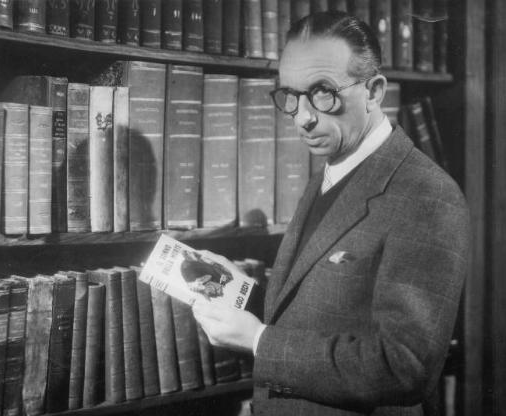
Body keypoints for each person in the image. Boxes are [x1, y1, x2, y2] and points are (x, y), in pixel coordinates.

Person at [193, 11, 470, 416]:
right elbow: (327, 312)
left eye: (323, 92)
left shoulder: (427, 196)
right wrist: (246, 295)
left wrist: (259, 341)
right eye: (291, 95)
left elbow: (404, 369)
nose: (303, 118)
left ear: (374, 92)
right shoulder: (331, 169)